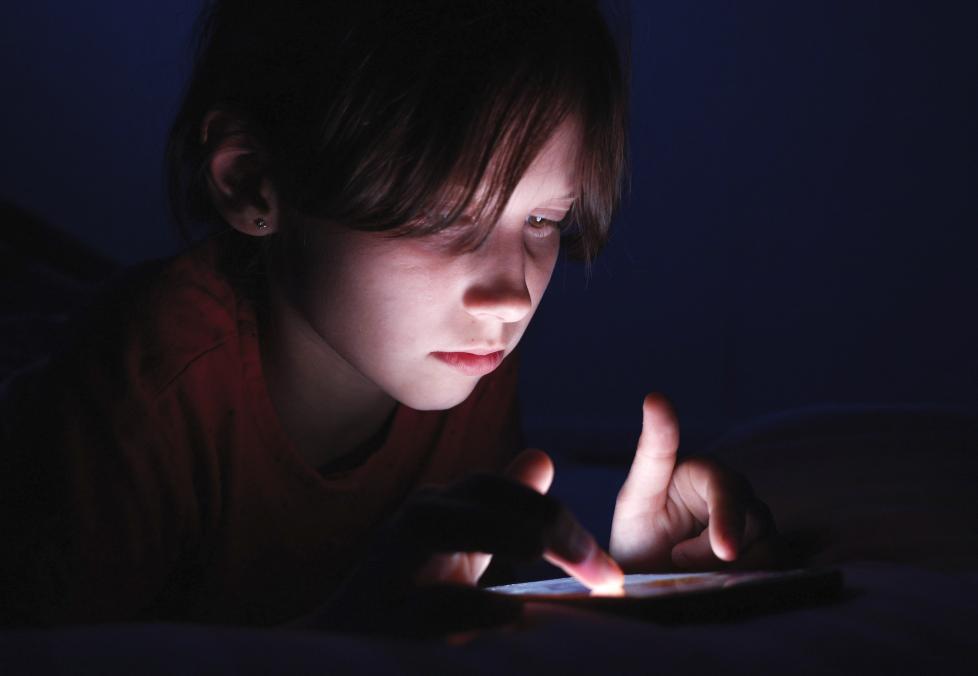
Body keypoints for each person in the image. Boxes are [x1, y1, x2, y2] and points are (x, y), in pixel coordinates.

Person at [0, 0, 780, 635]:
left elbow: (454, 597)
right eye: (445, 216)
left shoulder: (463, 370)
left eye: (543, 222)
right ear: (254, 186)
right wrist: (338, 646)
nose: (511, 297)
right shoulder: (142, 400)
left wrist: (624, 579)